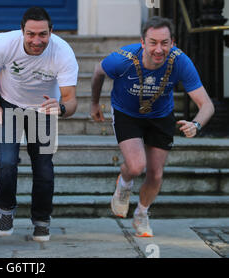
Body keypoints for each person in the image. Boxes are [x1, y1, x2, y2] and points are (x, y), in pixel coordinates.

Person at [90, 16, 214, 237]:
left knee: (155, 173)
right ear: (142, 42)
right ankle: (124, 184)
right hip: (126, 113)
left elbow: (206, 105)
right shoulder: (122, 59)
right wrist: (94, 103)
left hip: (160, 115)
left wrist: (196, 124)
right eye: (153, 42)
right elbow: (98, 72)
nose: (159, 49)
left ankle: (141, 214)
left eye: (164, 43)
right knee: (137, 166)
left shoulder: (180, 61)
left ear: (172, 43)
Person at [0, 7, 79, 242]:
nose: (37, 41)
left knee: (43, 167)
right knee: (6, 162)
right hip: (9, 104)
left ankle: (41, 220)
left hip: (43, 109)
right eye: (31, 34)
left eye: (43, 34)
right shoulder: (3, 44)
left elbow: (72, 100)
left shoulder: (63, 53)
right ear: (22, 31)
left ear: (51, 32)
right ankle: (6, 211)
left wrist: (62, 109)